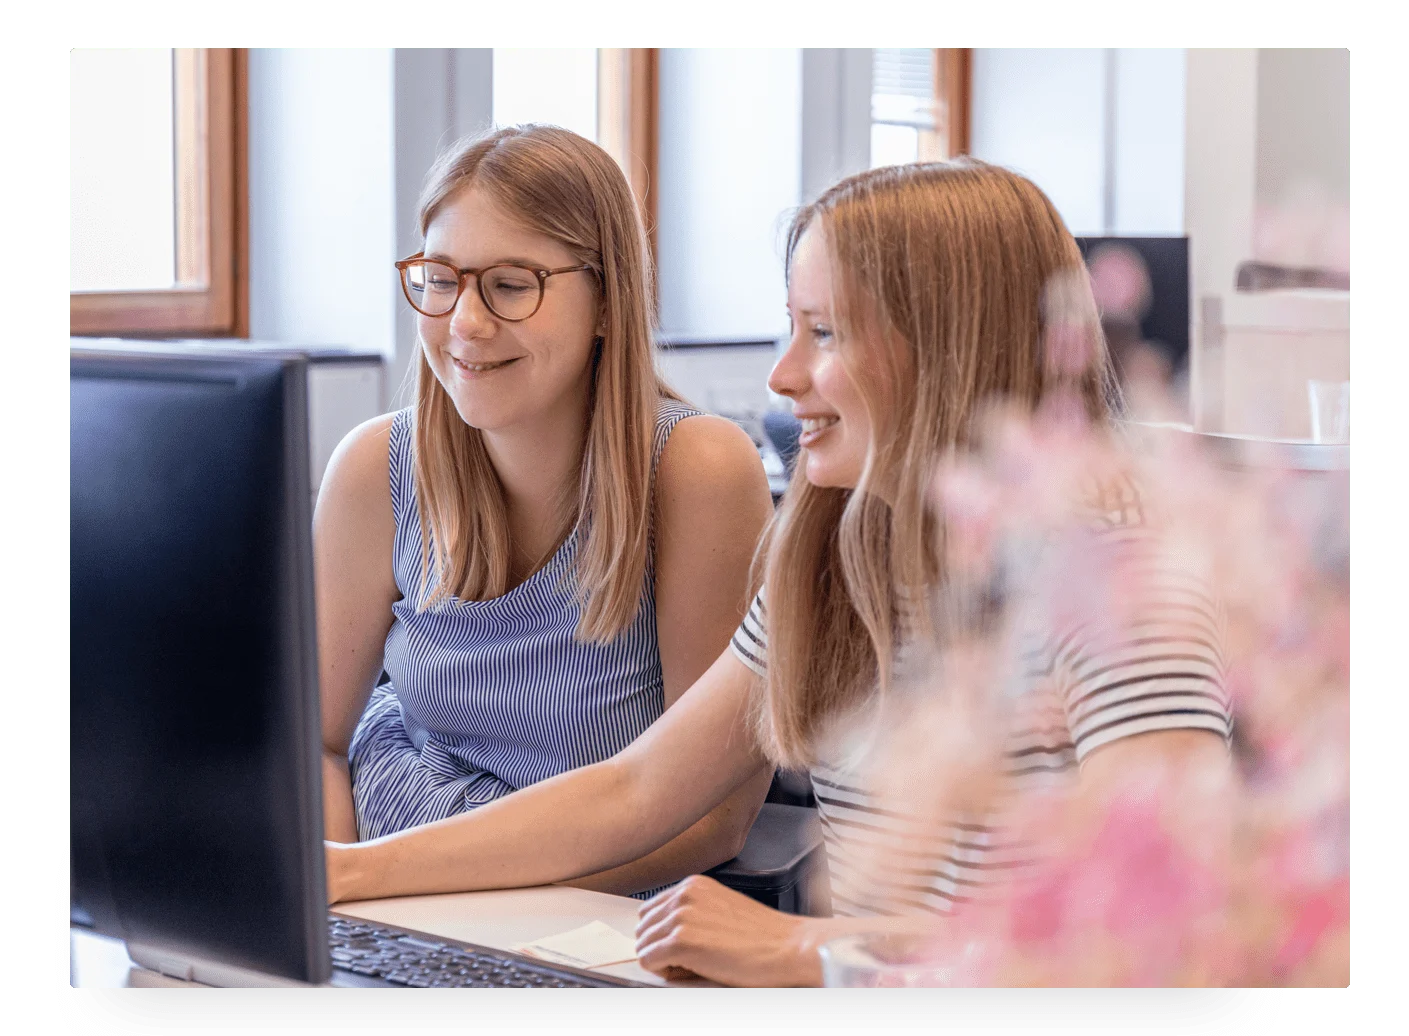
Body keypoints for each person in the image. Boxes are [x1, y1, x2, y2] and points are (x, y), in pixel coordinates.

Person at [324, 159, 1232, 985]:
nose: (783, 375)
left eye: (825, 333)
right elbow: (638, 789)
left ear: (948, 345)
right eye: (791, 329)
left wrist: (806, 949)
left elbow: (1162, 934)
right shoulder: (835, 557)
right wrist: (345, 874)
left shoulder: (1118, 582)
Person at [316, 125, 776, 898]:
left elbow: (715, 818)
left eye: (511, 284)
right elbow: (320, 745)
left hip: (579, 905)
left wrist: (409, 888)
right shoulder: (375, 468)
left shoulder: (698, 471)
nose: (464, 322)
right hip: (386, 881)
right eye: (440, 278)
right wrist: (332, 917)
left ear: (606, 300)